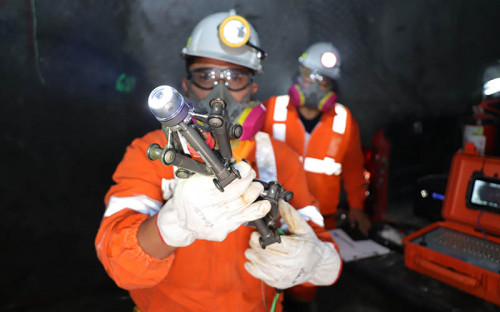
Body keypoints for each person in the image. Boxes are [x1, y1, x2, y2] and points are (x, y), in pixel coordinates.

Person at [95, 11, 342, 312]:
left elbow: (317, 240)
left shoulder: (279, 158)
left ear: (253, 87)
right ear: (186, 86)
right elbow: (118, 262)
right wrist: (172, 224)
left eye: (235, 77)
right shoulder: (151, 151)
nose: (220, 92)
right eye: (206, 76)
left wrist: (317, 261)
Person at [261, 42, 371, 306]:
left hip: (322, 220)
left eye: (323, 79)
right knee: (266, 279)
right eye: (309, 74)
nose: (313, 83)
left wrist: (357, 207)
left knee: (306, 282)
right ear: (298, 74)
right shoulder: (272, 109)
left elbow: (354, 167)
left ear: (332, 86)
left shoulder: (344, 121)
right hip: (273, 214)